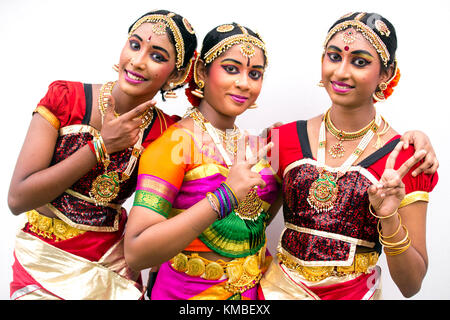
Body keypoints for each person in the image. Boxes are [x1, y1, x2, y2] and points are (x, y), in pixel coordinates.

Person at [7, 9, 197, 300]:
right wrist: (101, 147)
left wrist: (267, 139)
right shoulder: (66, 98)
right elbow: (18, 199)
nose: (137, 61)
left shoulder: (166, 132)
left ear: (177, 74)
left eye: (157, 56)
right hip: (43, 259)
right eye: (135, 45)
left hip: (113, 267)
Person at [259, 12, 439, 300]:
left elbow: (411, 285)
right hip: (274, 293)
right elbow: (246, 232)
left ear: (387, 73)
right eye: (333, 56)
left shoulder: (407, 159)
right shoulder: (284, 139)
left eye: (360, 61)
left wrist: (389, 217)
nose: (341, 72)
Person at [124, 22, 283, 300]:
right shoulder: (175, 144)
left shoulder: (257, 146)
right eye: (231, 69)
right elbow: (136, 252)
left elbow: (252, 225)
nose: (244, 83)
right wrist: (226, 196)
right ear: (201, 71)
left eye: (254, 73)